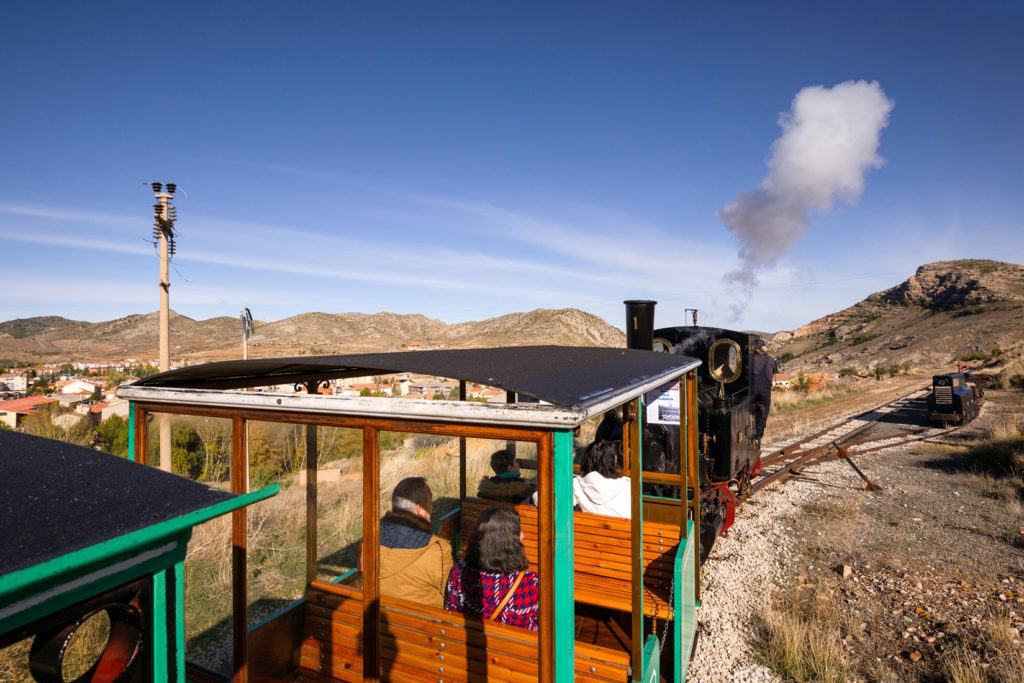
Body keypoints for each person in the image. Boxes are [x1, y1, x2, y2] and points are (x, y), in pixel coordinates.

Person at [444, 506, 539, 630]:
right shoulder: (529, 583)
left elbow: (450, 611)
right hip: (513, 647)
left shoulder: (458, 573)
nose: (523, 535)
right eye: (518, 531)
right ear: (508, 542)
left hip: (467, 646)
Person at [374, 477, 452, 608]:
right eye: (430, 508)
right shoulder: (438, 549)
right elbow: (451, 594)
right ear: (418, 509)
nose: (430, 513)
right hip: (424, 625)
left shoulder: (370, 538)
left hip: (378, 622)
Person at [536, 439, 631, 518]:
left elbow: (544, 502)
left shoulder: (577, 484)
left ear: (587, 460)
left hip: (589, 536)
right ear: (613, 460)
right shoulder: (627, 485)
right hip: (623, 538)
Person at [751, 338, 777, 442]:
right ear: (762, 348)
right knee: (763, 410)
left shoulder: (749, 359)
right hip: (765, 390)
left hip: (752, 390)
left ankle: (752, 430)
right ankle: (759, 433)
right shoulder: (771, 360)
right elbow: (774, 372)